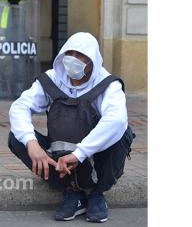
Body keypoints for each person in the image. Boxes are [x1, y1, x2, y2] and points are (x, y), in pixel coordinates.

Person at [7, 32, 135, 223]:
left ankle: (96, 194)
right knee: (17, 137)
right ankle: (71, 194)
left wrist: (80, 153)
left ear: (93, 61)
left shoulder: (107, 84)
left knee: (121, 131)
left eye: (81, 55)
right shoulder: (52, 79)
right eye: (71, 53)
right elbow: (19, 107)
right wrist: (31, 143)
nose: (74, 59)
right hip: (60, 160)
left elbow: (115, 120)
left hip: (94, 159)